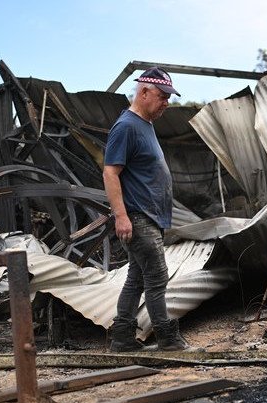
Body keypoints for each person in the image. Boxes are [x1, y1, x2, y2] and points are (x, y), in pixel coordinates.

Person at [103, 67, 190, 352]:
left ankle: (123, 339)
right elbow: (110, 173)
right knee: (157, 276)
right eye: (163, 96)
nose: (167, 102)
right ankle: (167, 339)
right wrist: (122, 216)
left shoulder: (146, 125)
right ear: (144, 92)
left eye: (168, 97)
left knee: (137, 278)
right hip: (138, 216)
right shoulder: (126, 126)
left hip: (150, 217)